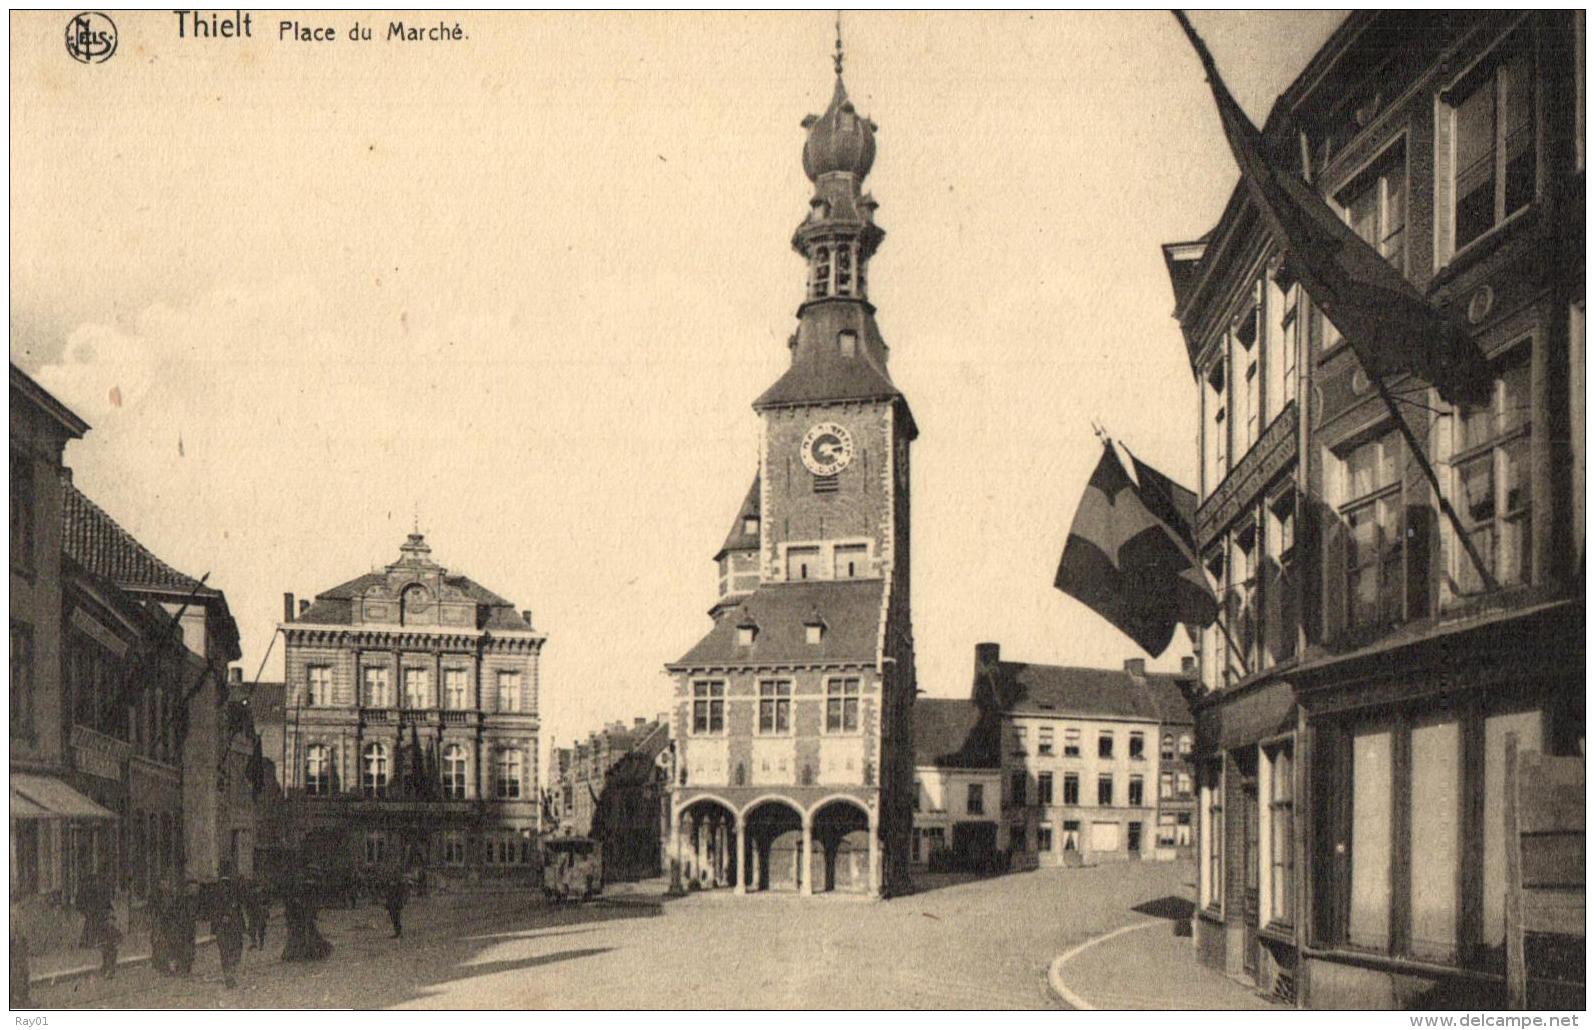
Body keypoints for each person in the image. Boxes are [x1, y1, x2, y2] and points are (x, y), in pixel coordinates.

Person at [212, 877, 246, 988]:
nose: (225, 888)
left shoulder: (234, 899)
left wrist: (243, 929)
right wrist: (219, 921)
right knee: (225, 952)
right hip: (222, 929)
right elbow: (213, 915)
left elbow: (239, 914)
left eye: (227, 885)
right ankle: (228, 975)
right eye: (222, 885)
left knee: (235, 951)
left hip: (234, 929)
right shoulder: (216, 900)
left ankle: (231, 972)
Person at [242, 879, 268, 950]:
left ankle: (260, 943)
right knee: (252, 929)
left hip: (258, 912)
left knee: (260, 928)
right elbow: (246, 904)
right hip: (253, 913)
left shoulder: (258, 892)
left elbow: (264, 902)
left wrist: (264, 911)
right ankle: (254, 942)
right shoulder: (248, 893)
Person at [384, 875, 408, 939]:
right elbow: (389, 897)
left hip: (395, 905)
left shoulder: (398, 890)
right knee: (394, 919)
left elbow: (400, 897)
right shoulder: (394, 890)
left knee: (396, 918)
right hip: (393, 905)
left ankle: (398, 933)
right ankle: (398, 932)